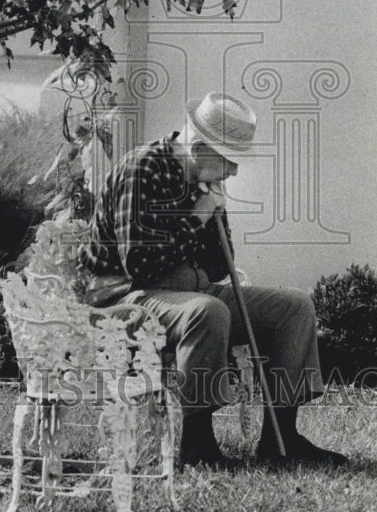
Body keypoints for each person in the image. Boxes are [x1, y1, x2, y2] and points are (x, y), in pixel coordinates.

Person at [82, 91, 347, 471]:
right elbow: (139, 263)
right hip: (123, 298)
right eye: (229, 160)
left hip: (186, 290)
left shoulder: (200, 181)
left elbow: (221, 267)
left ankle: (280, 438)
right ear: (199, 147)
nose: (234, 171)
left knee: (294, 307)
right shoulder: (143, 169)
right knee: (206, 312)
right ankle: (197, 444)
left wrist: (213, 218)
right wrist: (198, 215)